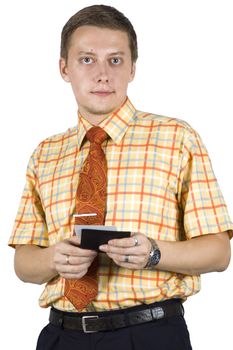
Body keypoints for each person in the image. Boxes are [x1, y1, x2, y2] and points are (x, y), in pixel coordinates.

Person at [9, 4, 232, 350]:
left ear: (132, 68)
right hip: (62, 336)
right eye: (87, 60)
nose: (102, 74)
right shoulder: (45, 153)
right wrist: (53, 258)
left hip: (150, 334)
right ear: (64, 68)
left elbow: (218, 252)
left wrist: (155, 253)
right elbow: (23, 262)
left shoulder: (177, 139)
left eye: (115, 60)